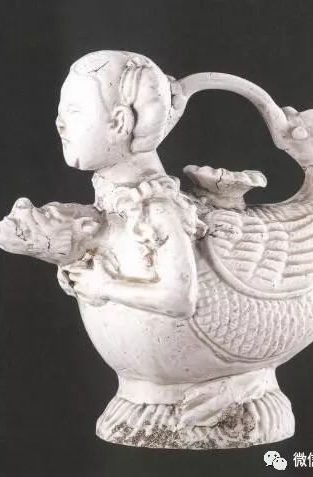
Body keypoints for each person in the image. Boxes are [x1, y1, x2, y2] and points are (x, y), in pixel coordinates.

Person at [55, 50, 201, 318]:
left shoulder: (156, 208)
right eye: (61, 112)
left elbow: (180, 300)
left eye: (74, 112)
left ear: (120, 122)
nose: (59, 124)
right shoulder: (112, 192)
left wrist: (104, 287)